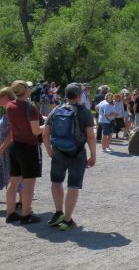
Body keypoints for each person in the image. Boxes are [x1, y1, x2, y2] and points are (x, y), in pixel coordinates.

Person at [42, 83, 96, 231]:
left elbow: (45, 134)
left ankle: (58, 212)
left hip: (58, 152)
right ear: (80, 96)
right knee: (73, 185)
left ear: (65, 96)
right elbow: (90, 136)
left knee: (56, 181)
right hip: (77, 153)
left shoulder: (56, 110)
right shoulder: (84, 112)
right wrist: (93, 155)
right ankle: (67, 220)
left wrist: (49, 151)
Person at [5, 80, 44, 224]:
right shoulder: (30, 108)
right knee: (29, 183)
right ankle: (26, 215)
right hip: (28, 148)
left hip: (14, 146)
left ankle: (10, 214)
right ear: (26, 90)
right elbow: (35, 131)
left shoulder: (9, 106)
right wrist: (47, 125)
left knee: (13, 181)